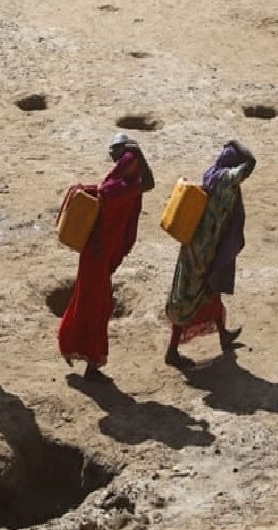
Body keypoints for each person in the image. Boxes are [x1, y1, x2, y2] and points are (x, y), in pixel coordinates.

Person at [59, 134, 152, 382]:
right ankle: (89, 360)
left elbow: (111, 190)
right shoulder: (126, 188)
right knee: (95, 307)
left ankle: (79, 352)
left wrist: (135, 154)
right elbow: (123, 188)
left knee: (92, 303)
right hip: (97, 255)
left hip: (97, 254)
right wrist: (136, 155)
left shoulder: (121, 186)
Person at [165, 140, 256, 366]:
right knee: (188, 297)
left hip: (194, 244)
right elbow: (251, 163)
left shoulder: (211, 174)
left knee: (209, 292)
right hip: (206, 250)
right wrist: (238, 146)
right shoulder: (226, 179)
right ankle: (172, 352)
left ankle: (223, 335)